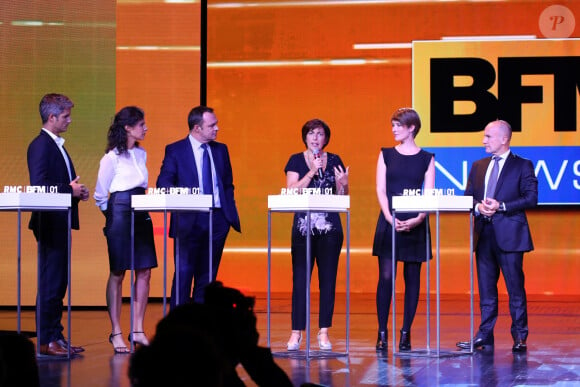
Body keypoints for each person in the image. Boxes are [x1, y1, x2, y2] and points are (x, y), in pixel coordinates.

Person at [456, 119, 537, 353]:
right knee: (486, 289)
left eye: (488, 136)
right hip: (484, 234)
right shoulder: (478, 165)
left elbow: (531, 198)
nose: (483, 141)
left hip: (510, 235)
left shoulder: (522, 165)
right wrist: (479, 207)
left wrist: (501, 206)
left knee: (515, 289)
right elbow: (467, 197)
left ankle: (520, 336)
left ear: (504, 138)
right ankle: (485, 335)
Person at [156, 106, 241, 308]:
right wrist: (187, 196)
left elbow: (228, 184)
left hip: (218, 220)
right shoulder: (175, 150)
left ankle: (202, 328)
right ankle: (178, 327)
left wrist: (228, 215)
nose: (217, 128)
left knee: (208, 278)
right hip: (189, 220)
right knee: (184, 274)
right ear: (197, 128)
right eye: (212, 125)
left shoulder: (221, 150)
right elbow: (164, 182)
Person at [27, 93, 89, 356]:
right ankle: (46, 340)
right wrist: (69, 191)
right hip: (49, 220)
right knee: (51, 281)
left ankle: (56, 336)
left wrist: (76, 192)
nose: (69, 120)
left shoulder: (57, 145)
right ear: (51, 117)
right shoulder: (41, 145)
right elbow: (39, 186)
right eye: (65, 116)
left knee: (58, 281)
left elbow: (60, 184)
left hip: (60, 218)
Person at [94, 106, 158, 353]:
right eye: (141, 124)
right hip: (120, 210)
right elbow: (101, 195)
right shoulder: (111, 158)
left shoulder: (141, 155)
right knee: (118, 271)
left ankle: (138, 329)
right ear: (128, 128)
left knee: (144, 270)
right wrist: (112, 217)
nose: (146, 128)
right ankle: (116, 331)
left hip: (141, 209)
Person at [372, 107, 435, 353]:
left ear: (411, 128)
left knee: (412, 279)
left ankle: (406, 332)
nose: (394, 129)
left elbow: (428, 193)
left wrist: (419, 219)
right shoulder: (386, 154)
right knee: (386, 277)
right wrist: (389, 217)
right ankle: (382, 332)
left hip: (416, 222)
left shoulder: (427, 158)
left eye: (398, 125)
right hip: (390, 221)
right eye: (393, 125)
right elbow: (380, 189)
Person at [284, 118, 349, 351]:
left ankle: (323, 332)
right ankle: (296, 332)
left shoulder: (335, 160)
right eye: (311, 133)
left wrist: (343, 184)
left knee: (328, 280)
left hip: (330, 229)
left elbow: (341, 198)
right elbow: (291, 192)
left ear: (326, 138)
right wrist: (311, 171)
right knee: (300, 279)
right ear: (305, 137)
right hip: (303, 229)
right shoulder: (295, 160)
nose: (315, 138)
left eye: (320, 134)